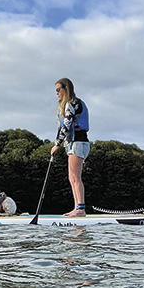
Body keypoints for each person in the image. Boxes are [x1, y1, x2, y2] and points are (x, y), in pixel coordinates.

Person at [51, 78, 90, 217]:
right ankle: (77, 207)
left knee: (75, 177)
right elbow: (61, 127)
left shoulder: (72, 103)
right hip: (73, 143)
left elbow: (67, 125)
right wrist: (57, 142)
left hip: (78, 142)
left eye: (58, 90)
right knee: (71, 177)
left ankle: (80, 209)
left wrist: (57, 144)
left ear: (65, 89)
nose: (57, 93)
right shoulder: (65, 105)